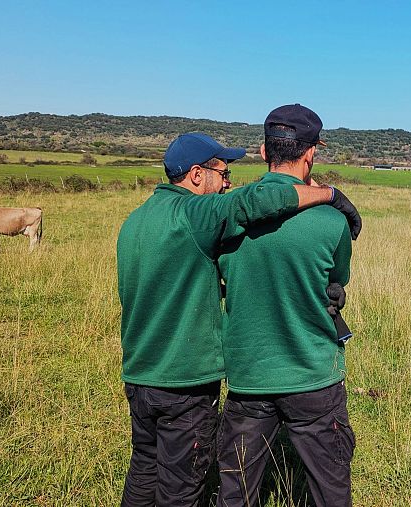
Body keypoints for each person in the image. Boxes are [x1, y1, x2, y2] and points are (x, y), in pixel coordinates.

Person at [116, 131, 361, 507]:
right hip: (185, 379)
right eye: (223, 171)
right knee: (180, 490)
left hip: (140, 375)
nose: (228, 182)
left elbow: (180, 283)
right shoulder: (198, 216)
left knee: (145, 470)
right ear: (197, 175)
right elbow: (263, 198)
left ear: (265, 151)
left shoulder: (136, 221)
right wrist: (329, 195)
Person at [217, 105, 355, 506]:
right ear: (311, 153)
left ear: (263, 151)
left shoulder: (225, 213)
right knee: (330, 487)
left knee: (236, 488)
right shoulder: (332, 222)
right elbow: (337, 282)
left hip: (247, 375)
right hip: (313, 373)